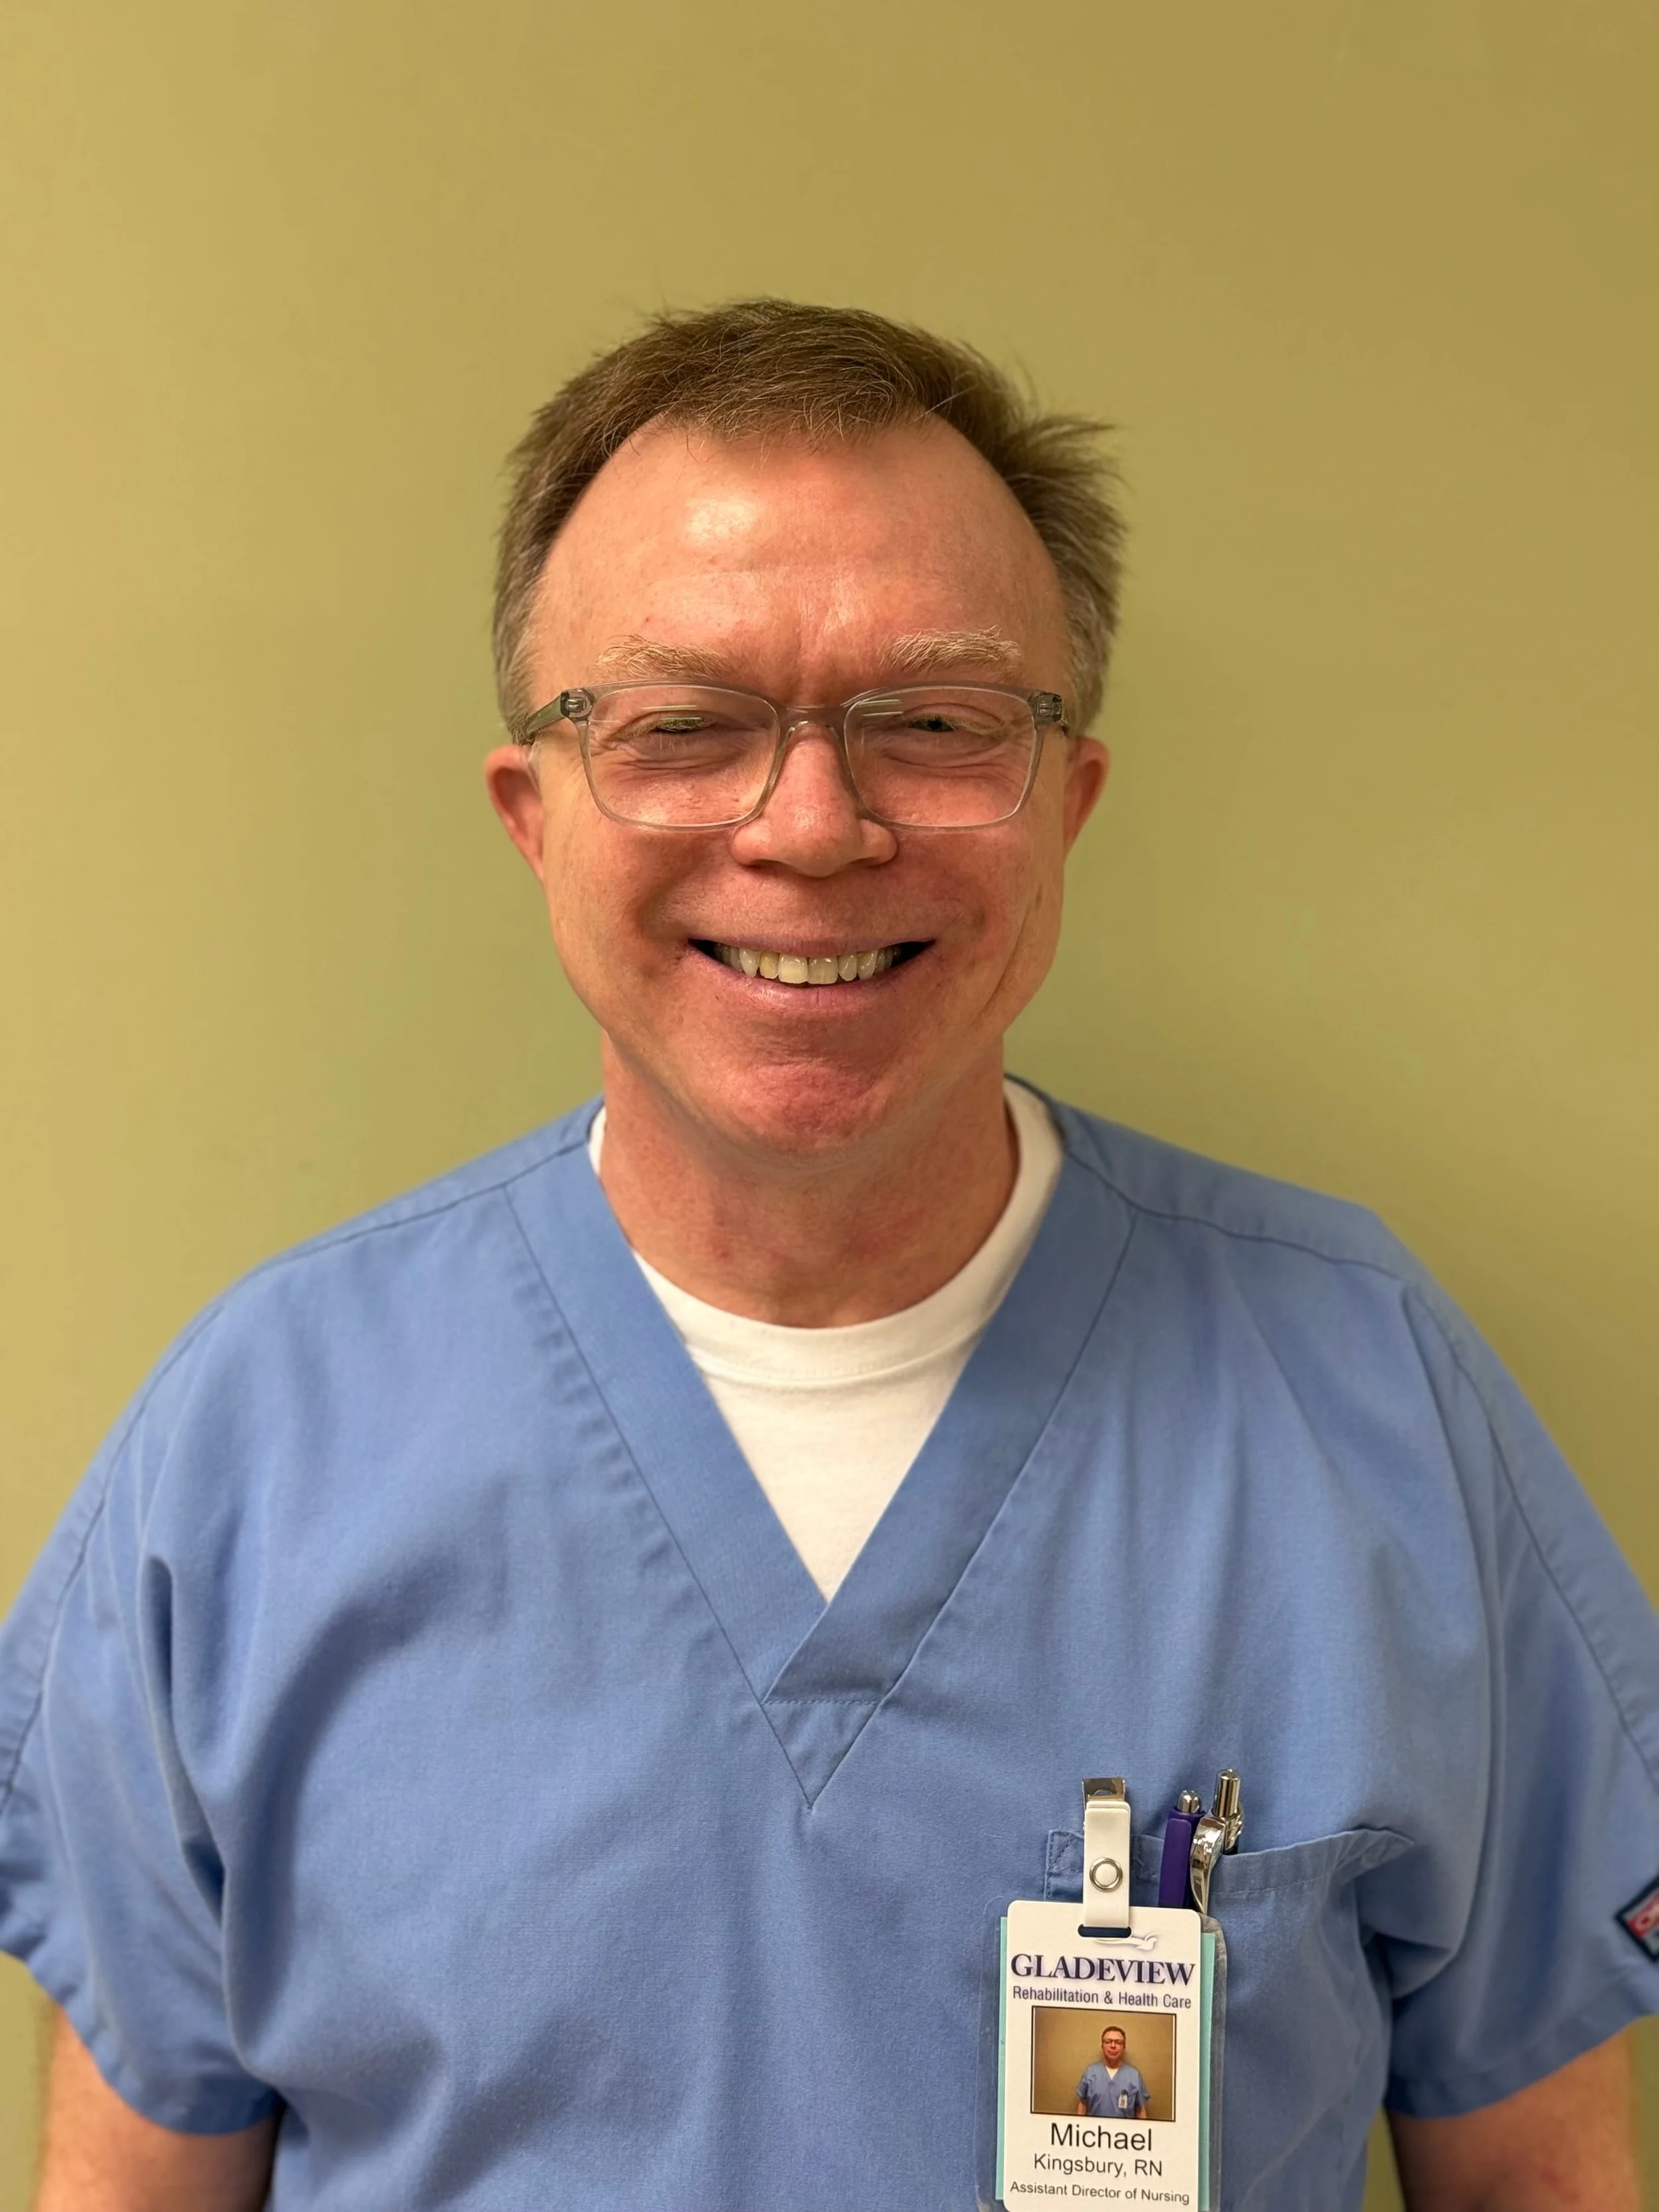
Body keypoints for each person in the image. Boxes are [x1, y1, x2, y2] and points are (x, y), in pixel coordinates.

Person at [1, 299, 1655, 2212]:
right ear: (530, 818)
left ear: (1066, 801)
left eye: (937, 724)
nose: (809, 825)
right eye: (683, 728)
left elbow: (1540, 2170)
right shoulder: (254, 1450)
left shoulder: (1368, 1394)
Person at [1075, 2025, 1151, 2121]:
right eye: (1108, 2042)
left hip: (1124, 2134)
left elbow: (1140, 2111)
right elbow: (1083, 2104)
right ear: (1102, 2047)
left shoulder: (1134, 2075)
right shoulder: (1090, 2072)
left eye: (1118, 2042)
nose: (1113, 2046)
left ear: (1124, 2047)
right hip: (1095, 2132)